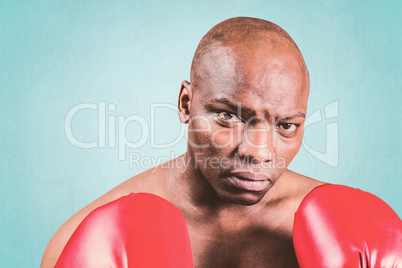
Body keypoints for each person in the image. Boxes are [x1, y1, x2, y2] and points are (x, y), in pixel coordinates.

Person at [41, 17, 402, 268]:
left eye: (286, 126)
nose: (258, 151)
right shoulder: (87, 240)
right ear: (186, 104)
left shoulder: (359, 235)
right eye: (229, 116)